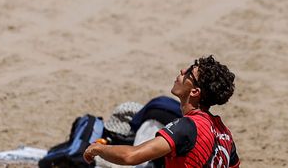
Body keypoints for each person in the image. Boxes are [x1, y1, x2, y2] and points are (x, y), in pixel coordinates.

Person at [83, 56, 239, 168]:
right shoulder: (225, 134)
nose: (182, 70)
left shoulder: (189, 126)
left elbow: (131, 156)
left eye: (189, 72)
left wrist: (99, 149)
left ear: (195, 91)